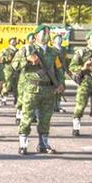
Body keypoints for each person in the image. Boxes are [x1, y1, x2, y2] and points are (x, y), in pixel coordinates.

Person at [12, 24, 64, 155]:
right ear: (36, 36)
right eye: (43, 33)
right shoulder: (27, 49)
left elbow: (58, 70)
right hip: (32, 89)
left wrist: (61, 84)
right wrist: (28, 60)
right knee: (27, 116)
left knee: (46, 118)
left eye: (48, 33)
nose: (46, 35)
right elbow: (15, 64)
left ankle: (43, 144)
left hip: (48, 90)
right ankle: (23, 144)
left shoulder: (54, 52)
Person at [0, 37, 20, 106]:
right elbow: (1, 59)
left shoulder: (18, 50)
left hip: (17, 70)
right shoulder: (5, 50)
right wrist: (7, 58)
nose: (14, 42)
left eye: (15, 41)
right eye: (12, 41)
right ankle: (4, 99)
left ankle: (16, 99)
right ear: (9, 42)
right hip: (8, 70)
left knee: (17, 85)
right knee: (7, 84)